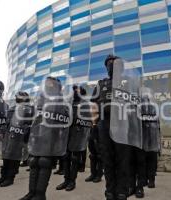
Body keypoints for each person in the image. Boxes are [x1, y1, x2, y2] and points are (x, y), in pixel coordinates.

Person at [91, 55, 136, 200]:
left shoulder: (128, 82)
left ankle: (122, 191)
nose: (112, 65)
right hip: (104, 124)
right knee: (107, 159)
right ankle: (109, 191)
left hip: (122, 123)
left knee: (123, 160)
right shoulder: (101, 83)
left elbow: (135, 103)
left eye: (115, 63)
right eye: (109, 63)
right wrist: (94, 123)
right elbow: (93, 104)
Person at [19, 77, 70, 200]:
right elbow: (35, 117)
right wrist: (30, 131)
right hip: (38, 135)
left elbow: (65, 121)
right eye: (47, 83)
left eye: (51, 83)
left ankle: (40, 194)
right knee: (33, 162)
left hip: (51, 137)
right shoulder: (41, 99)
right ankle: (31, 192)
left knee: (44, 162)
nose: (48, 85)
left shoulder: (61, 101)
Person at [0, 91, 34, 187]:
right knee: (6, 156)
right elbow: (6, 122)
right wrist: (2, 132)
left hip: (20, 136)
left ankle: (10, 178)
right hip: (8, 136)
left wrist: (26, 136)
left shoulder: (30, 109)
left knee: (14, 158)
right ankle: (3, 176)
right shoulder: (12, 108)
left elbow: (31, 124)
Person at [55, 85, 92, 191]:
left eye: (77, 90)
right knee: (65, 157)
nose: (75, 91)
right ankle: (66, 180)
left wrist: (77, 122)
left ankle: (72, 181)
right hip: (67, 134)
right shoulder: (69, 103)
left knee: (75, 159)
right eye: (74, 90)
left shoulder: (85, 104)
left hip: (78, 135)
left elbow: (88, 121)